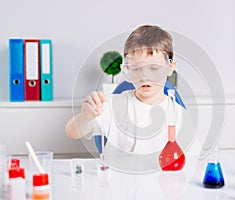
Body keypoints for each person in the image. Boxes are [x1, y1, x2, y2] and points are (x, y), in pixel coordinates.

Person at [65, 25, 182, 154]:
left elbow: (192, 159)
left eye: (154, 68)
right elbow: (72, 132)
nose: (145, 76)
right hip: (118, 174)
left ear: (170, 67)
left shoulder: (177, 113)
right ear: (127, 68)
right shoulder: (114, 106)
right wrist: (85, 117)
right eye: (137, 69)